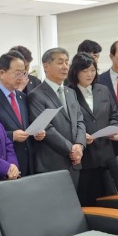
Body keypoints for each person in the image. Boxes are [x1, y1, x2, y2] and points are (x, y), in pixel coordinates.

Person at [67, 53, 118, 206]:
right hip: (84, 157)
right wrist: (80, 136)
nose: (90, 74)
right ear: (75, 72)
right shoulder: (68, 92)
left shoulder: (102, 90)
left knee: (109, 199)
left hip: (105, 154)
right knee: (86, 200)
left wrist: (117, 130)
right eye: (85, 71)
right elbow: (66, 123)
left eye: (92, 70)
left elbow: (115, 115)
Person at [28, 47, 86, 190]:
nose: (65, 67)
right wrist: (71, 149)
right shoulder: (36, 95)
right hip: (51, 163)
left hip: (74, 161)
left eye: (67, 62)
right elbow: (46, 128)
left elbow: (80, 121)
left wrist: (79, 145)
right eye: (60, 62)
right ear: (46, 66)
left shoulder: (71, 92)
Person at [0, 51, 45, 176]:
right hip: (6, 164)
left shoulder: (22, 97)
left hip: (28, 161)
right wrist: (12, 136)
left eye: (24, 73)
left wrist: (36, 133)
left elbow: (25, 125)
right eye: (17, 73)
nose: (22, 77)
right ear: (2, 73)